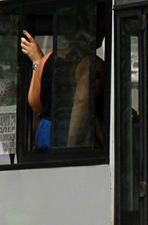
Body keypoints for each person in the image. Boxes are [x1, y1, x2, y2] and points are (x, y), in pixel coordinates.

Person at [21, 14, 105, 150]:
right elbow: (82, 103)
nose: (103, 34)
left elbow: (35, 103)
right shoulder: (93, 64)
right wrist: (72, 146)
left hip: (45, 130)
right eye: (100, 29)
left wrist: (37, 62)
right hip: (72, 132)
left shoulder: (46, 60)